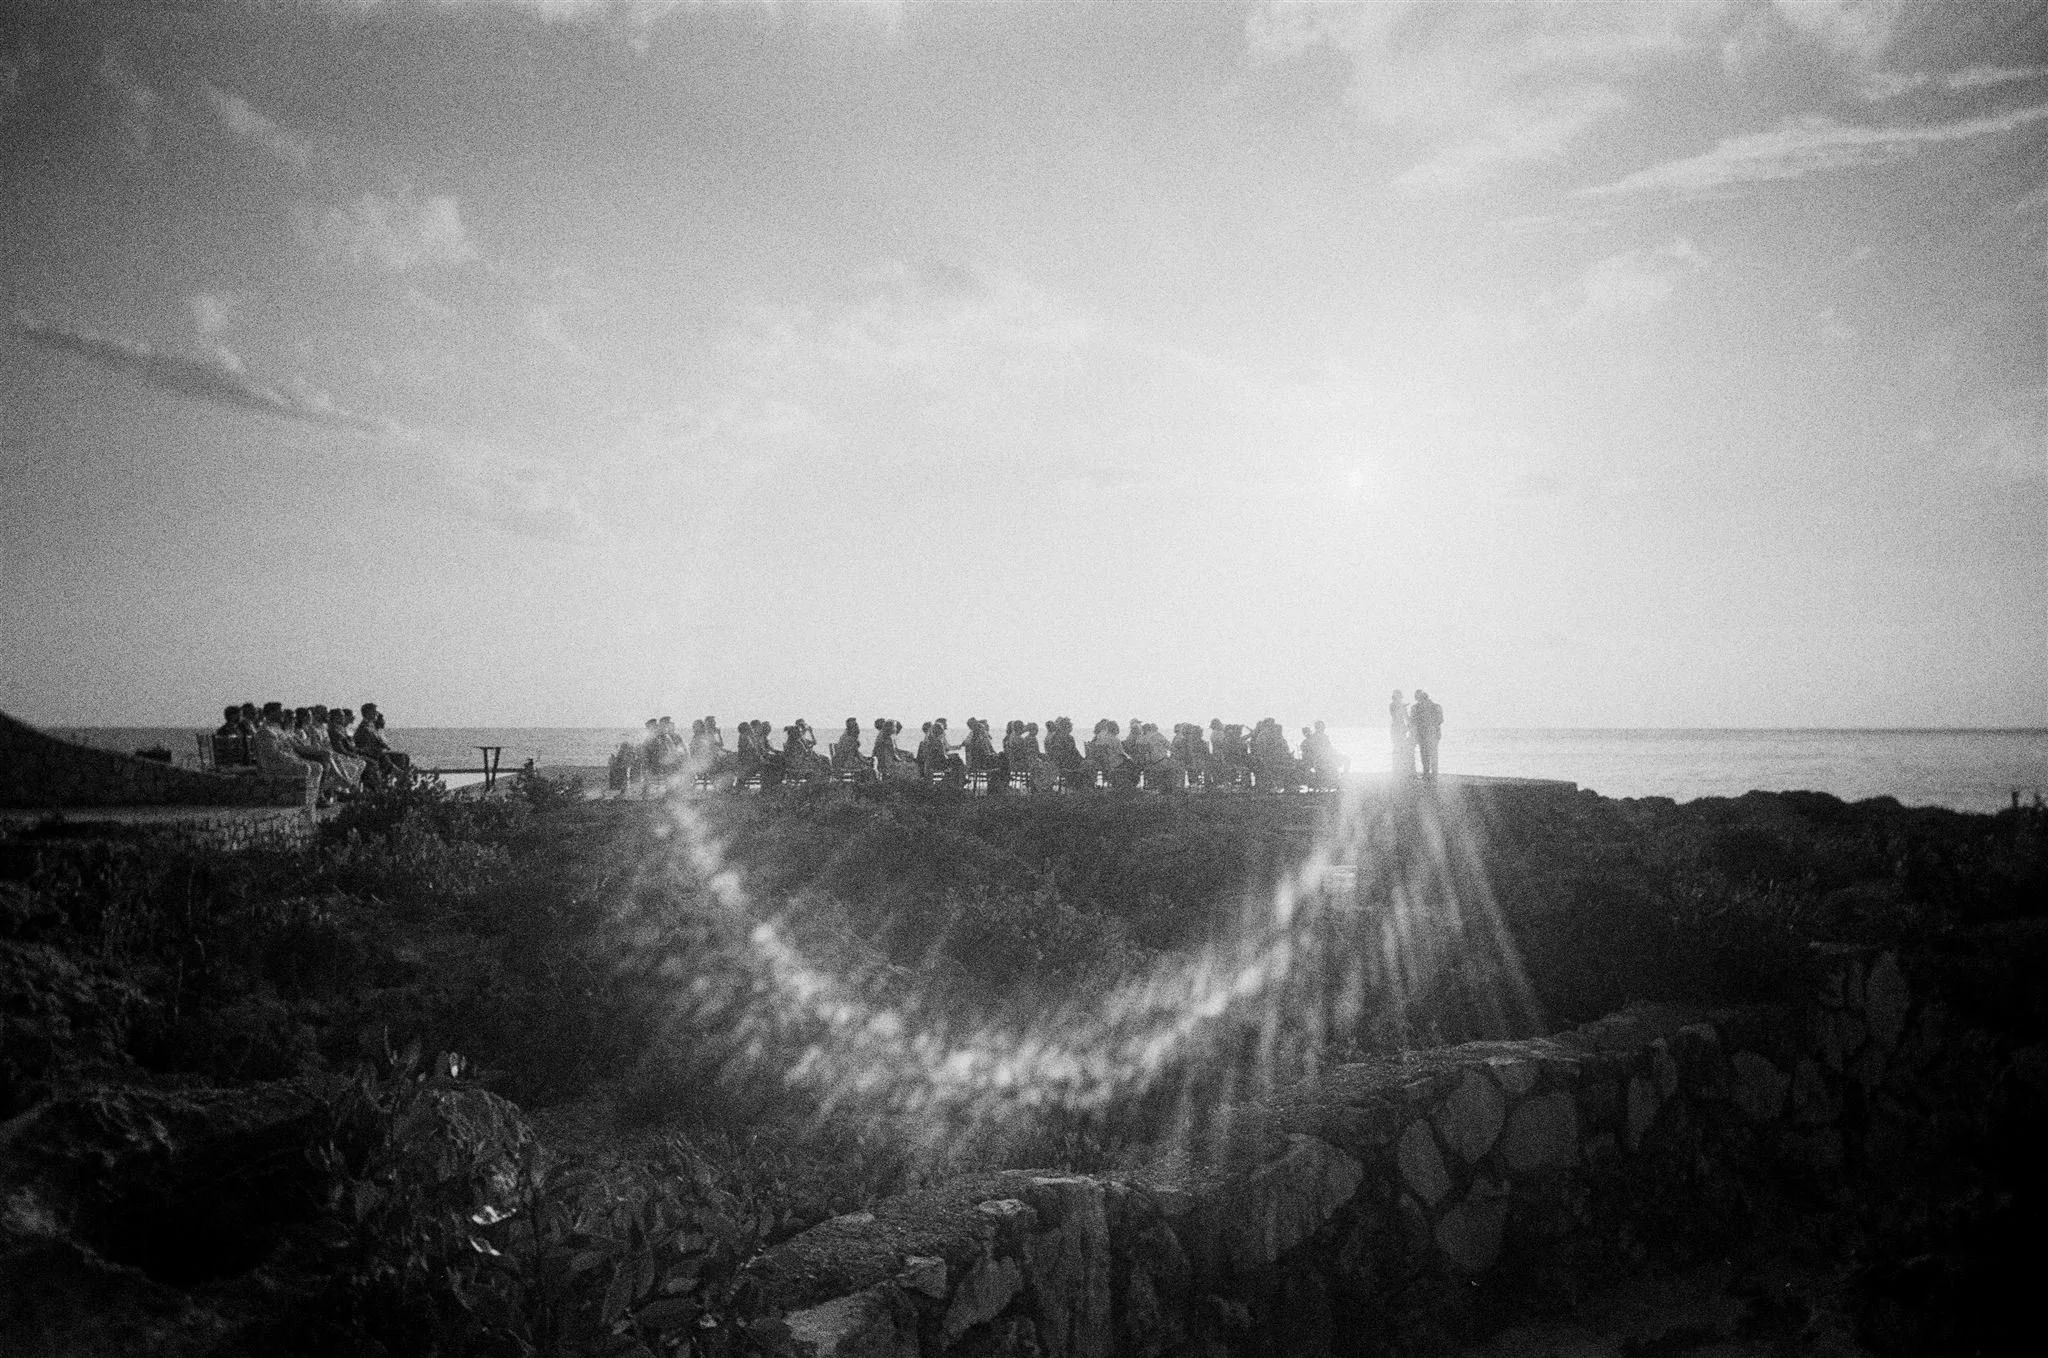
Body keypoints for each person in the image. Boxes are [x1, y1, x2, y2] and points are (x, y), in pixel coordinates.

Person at [1411, 690, 1444, 780]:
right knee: (1433, 755)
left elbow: (1413, 722)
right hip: (1432, 734)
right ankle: (1433, 774)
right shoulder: (1436, 706)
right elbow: (1440, 720)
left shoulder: (1417, 707)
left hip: (1424, 734)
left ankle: (1427, 774)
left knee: (1425, 755)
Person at [1388, 690, 1413, 777]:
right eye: (1398, 697)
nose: (1399, 699)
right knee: (1397, 748)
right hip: (1396, 729)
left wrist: (1409, 725)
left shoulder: (1401, 706)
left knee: (1401, 748)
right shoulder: (1393, 705)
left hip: (1401, 729)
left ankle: (1400, 769)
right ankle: (1396, 769)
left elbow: (1406, 717)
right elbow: (1395, 715)